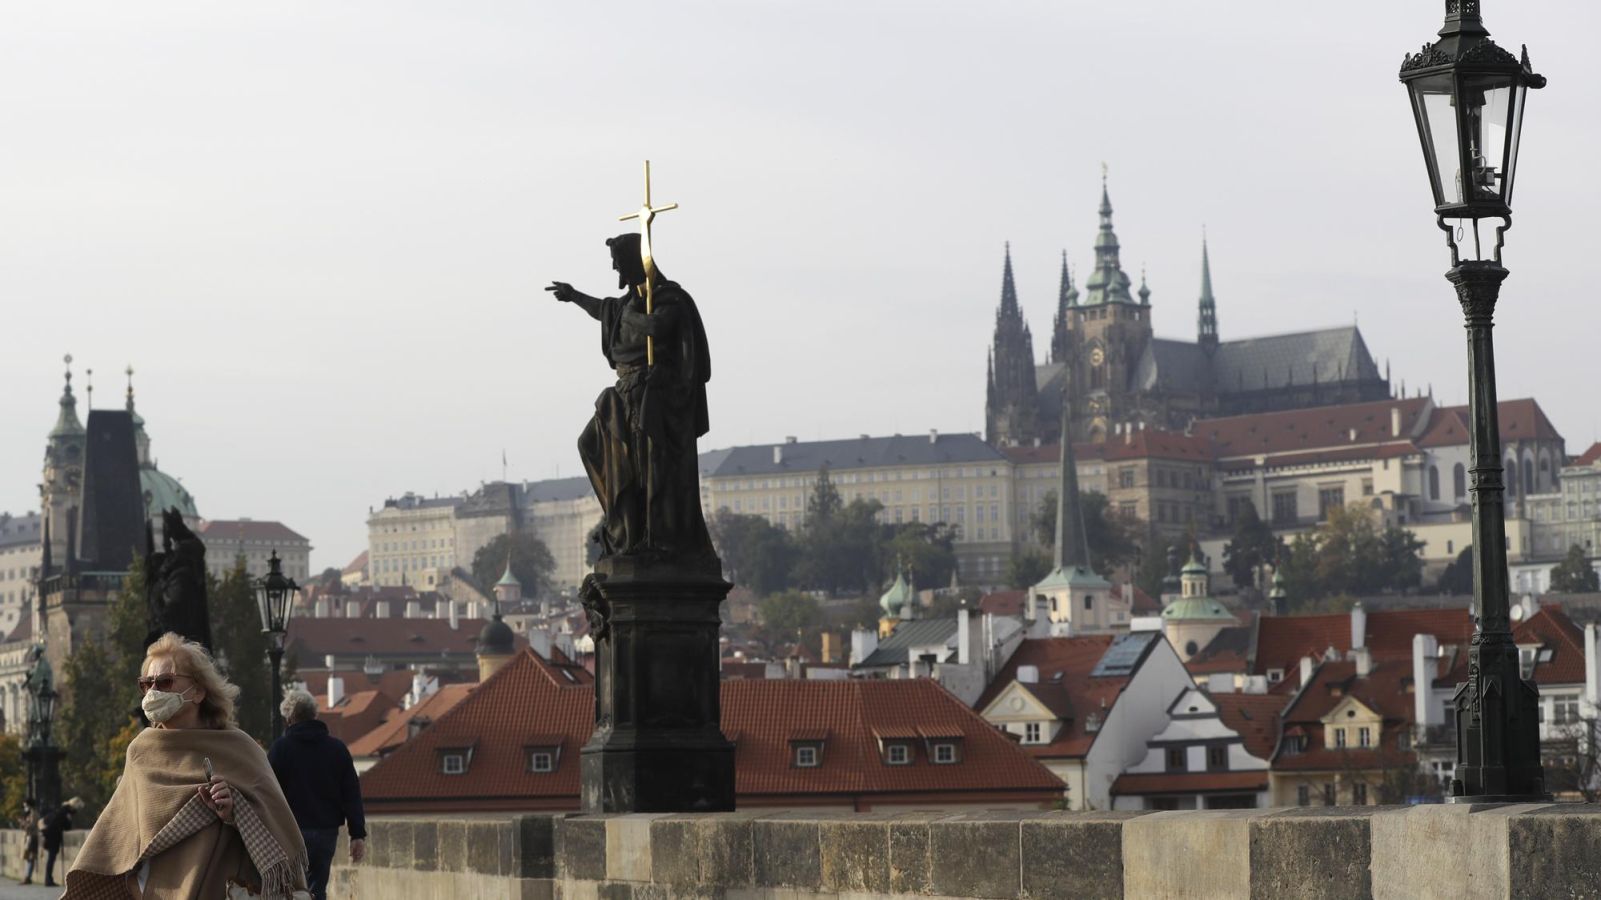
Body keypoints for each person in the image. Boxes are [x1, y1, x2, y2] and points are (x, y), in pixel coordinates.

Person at [63, 633, 310, 899]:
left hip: (221, 887)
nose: (154, 692)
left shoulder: (241, 749)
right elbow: (121, 836)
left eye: (165, 682)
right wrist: (135, 886)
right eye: (146, 684)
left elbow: (276, 824)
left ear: (198, 691)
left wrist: (235, 811)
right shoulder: (140, 751)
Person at [547, 232, 717, 565]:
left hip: (656, 398)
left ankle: (653, 534)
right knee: (589, 444)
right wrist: (574, 296)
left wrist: (630, 315)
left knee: (650, 466)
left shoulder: (670, 298)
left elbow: (656, 327)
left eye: (617, 264)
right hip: (623, 393)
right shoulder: (627, 304)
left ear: (634, 263)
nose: (615, 272)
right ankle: (622, 522)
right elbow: (604, 311)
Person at [268, 689, 367, 900]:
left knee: (291, 890)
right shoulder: (337, 749)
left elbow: (268, 793)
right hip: (326, 831)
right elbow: (351, 793)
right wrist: (357, 834)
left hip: (291, 830)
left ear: (290, 718)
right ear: (314, 715)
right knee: (317, 889)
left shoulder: (280, 749)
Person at [39, 796, 81, 887]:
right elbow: (67, 827)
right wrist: (69, 820)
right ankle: (48, 880)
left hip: (50, 836)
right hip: (53, 837)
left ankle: (48, 879)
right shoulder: (65, 813)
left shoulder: (61, 810)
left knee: (51, 859)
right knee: (51, 858)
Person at [16, 797, 38, 885]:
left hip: (32, 837)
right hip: (29, 837)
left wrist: (23, 823)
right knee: (28, 857)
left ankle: (28, 877)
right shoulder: (30, 813)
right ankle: (27, 876)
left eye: (25, 804)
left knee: (30, 857)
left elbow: (32, 825)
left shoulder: (33, 813)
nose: (24, 806)